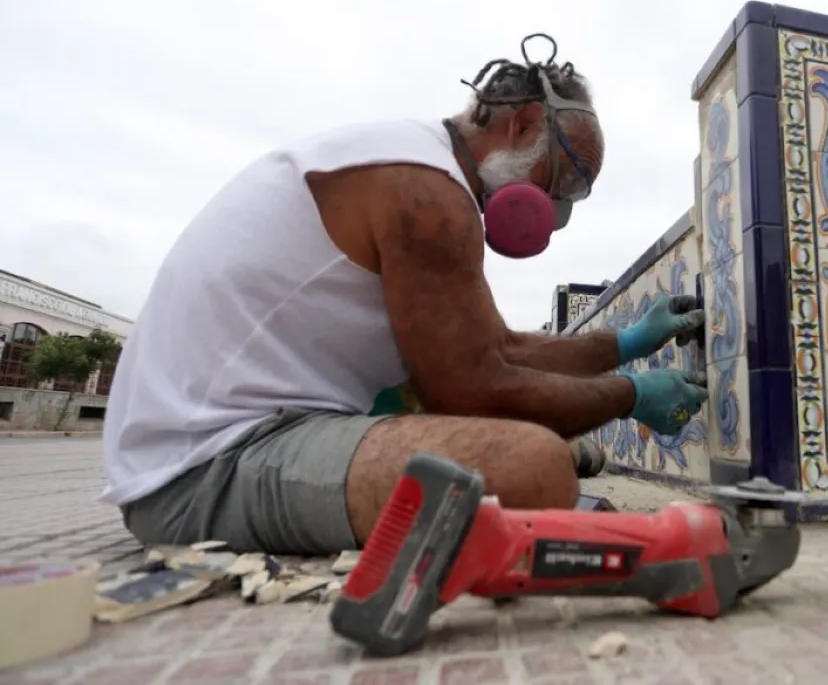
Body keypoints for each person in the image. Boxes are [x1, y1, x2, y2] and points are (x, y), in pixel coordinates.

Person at [100, 34, 709, 556]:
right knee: (531, 465)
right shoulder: (425, 190)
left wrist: (627, 343)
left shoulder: (420, 165)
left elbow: (499, 350)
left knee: (532, 451)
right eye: (568, 177)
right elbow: (473, 388)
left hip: (243, 440)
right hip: (202, 470)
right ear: (522, 123)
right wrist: (629, 396)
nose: (559, 209)